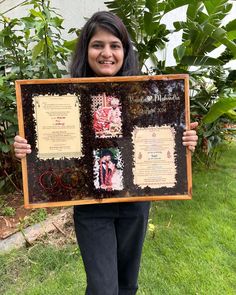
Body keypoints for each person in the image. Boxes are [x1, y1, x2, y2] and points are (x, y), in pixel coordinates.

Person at [14, 11, 198, 295]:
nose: (107, 53)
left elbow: (161, 137)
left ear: (125, 50)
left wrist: (182, 140)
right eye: (97, 45)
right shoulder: (64, 99)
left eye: (115, 45)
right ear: (86, 50)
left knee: (127, 284)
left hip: (135, 202)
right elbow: (51, 150)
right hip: (91, 206)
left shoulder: (144, 94)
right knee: (102, 288)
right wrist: (27, 148)